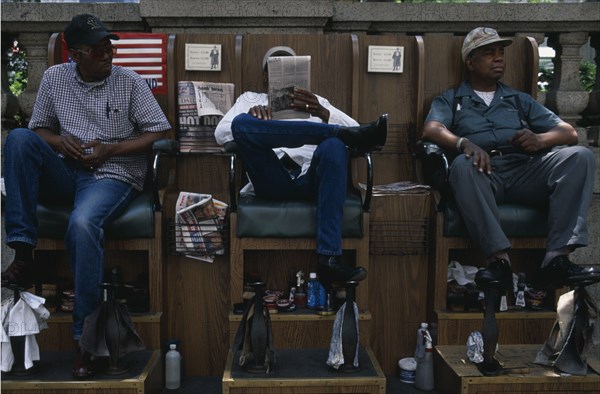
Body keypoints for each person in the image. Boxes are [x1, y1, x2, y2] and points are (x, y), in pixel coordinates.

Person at [1, 14, 171, 377]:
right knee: (18, 139)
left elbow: (158, 133)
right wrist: (61, 140)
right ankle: (22, 250)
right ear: (75, 55)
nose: (108, 56)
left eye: (109, 48)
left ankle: (86, 341)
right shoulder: (54, 78)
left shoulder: (129, 82)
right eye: (98, 51)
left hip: (112, 173)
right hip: (66, 170)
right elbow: (40, 130)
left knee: (82, 223)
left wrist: (112, 149)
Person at [422, 27, 599, 290]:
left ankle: (556, 260)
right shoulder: (452, 99)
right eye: (489, 53)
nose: (498, 58)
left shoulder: (518, 100)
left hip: (524, 171)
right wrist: (464, 143)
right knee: (461, 166)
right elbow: (431, 129)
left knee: (580, 156)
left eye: (501, 53)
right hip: (483, 174)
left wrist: (541, 140)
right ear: (470, 62)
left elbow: (568, 132)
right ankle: (499, 263)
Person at [215, 46, 387, 288]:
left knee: (336, 146)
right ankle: (330, 132)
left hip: (311, 179)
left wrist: (321, 111)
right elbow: (221, 132)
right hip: (271, 178)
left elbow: (357, 133)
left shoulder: (315, 102)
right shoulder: (250, 99)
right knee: (242, 123)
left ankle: (329, 259)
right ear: (266, 76)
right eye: (275, 68)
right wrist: (256, 118)